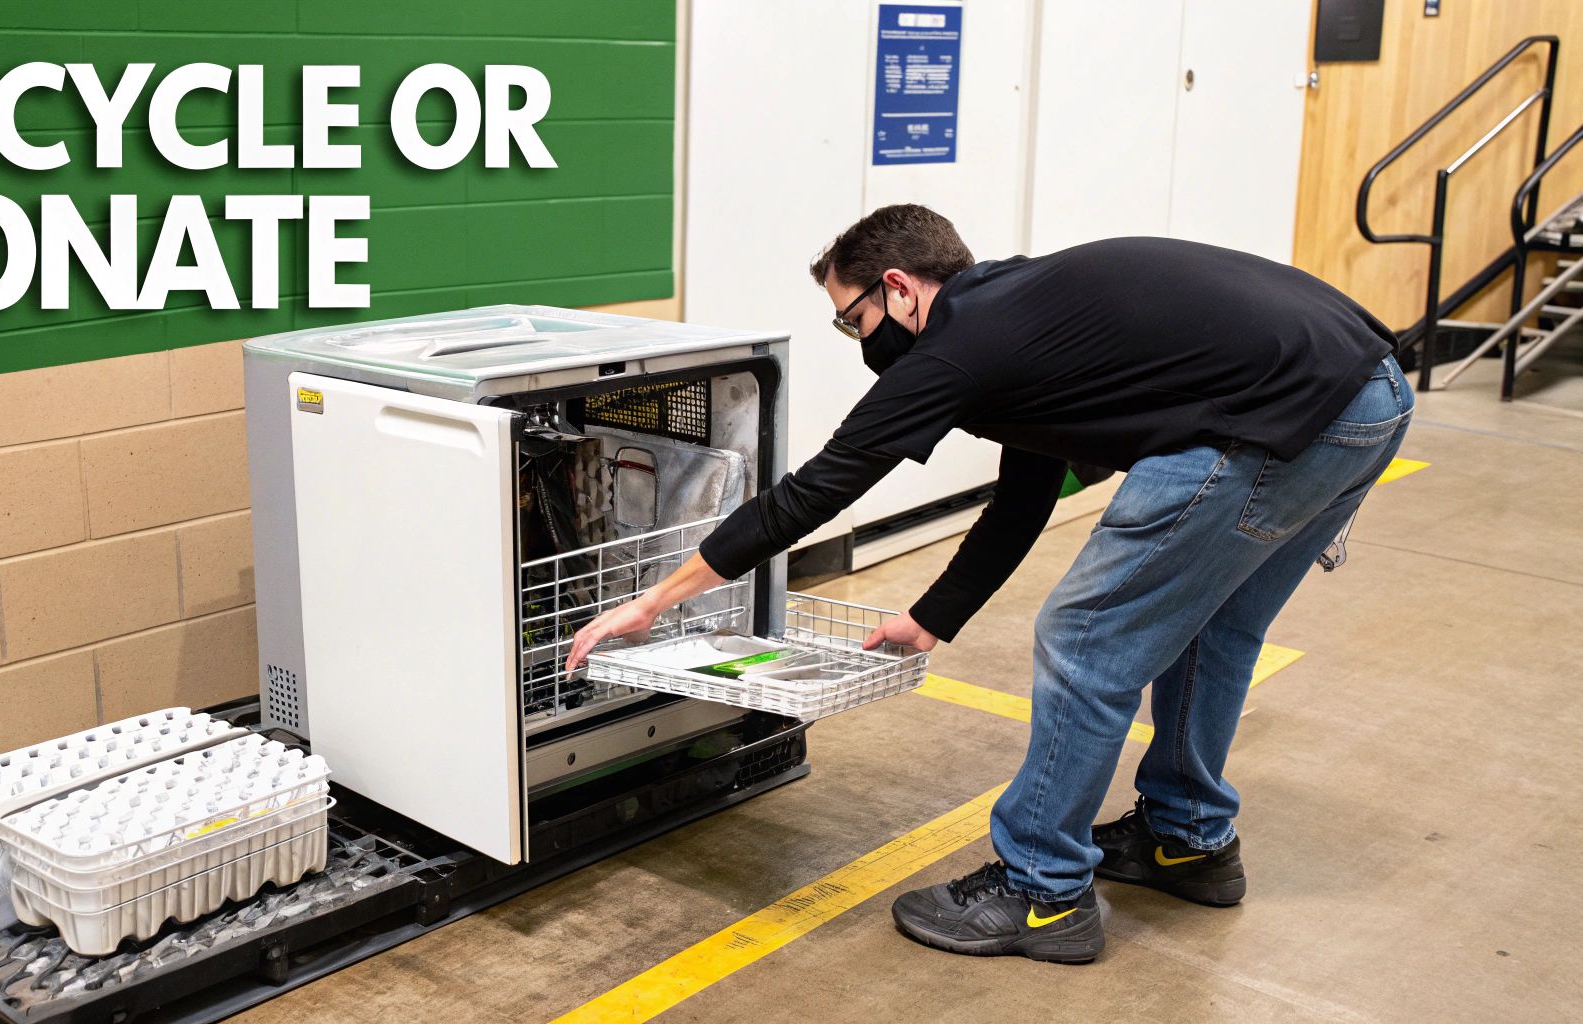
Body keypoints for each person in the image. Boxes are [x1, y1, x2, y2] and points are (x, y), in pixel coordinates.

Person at [564, 204, 1413, 964]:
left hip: (1285, 416)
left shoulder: (958, 350)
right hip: (1366, 395)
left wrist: (649, 602)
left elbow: (815, 492)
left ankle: (1043, 894)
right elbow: (1024, 496)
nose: (858, 341)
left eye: (849, 319)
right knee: (1207, 624)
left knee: (1086, 639)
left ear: (898, 290)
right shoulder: (1018, 317)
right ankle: (1186, 838)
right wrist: (932, 617)